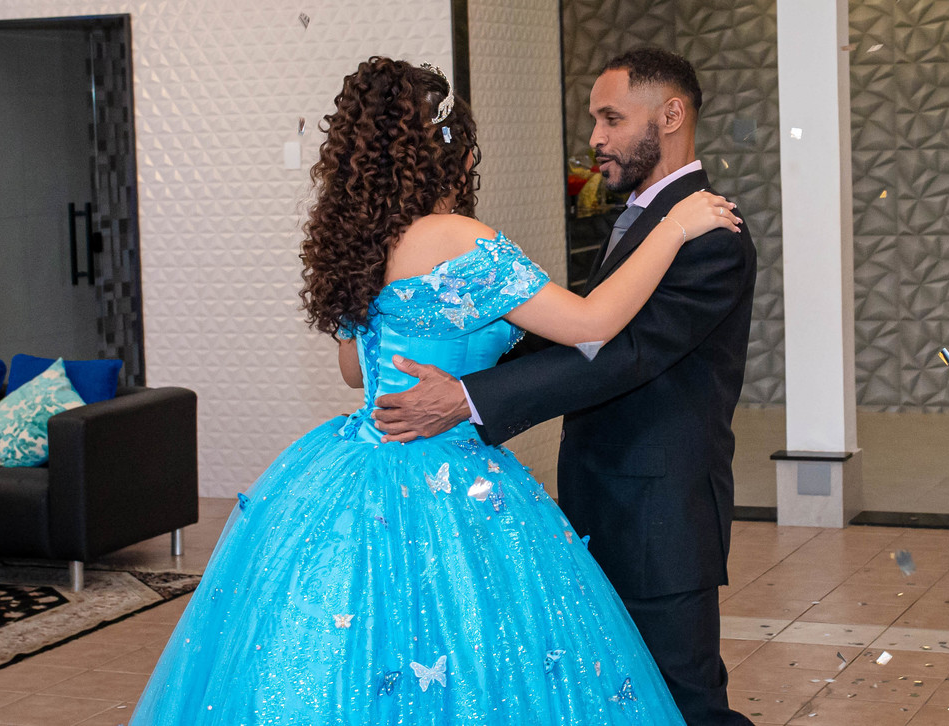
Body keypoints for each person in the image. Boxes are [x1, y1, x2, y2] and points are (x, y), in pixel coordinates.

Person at [127, 56, 741, 724]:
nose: (594, 137)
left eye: (608, 118)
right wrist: (676, 227)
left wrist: (463, 380)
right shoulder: (458, 238)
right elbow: (593, 324)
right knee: (472, 649)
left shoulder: (363, 242)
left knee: (362, 651)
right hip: (445, 474)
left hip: (356, 461)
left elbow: (355, 370)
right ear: (454, 153)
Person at [373, 47, 758, 726]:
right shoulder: (645, 217)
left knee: (685, 703)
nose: (595, 138)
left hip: (658, 512)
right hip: (604, 494)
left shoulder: (710, 233)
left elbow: (620, 355)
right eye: (593, 120)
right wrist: (470, 367)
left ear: (671, 116)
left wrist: (468, 398)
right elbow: (573, 332)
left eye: (612, 119)